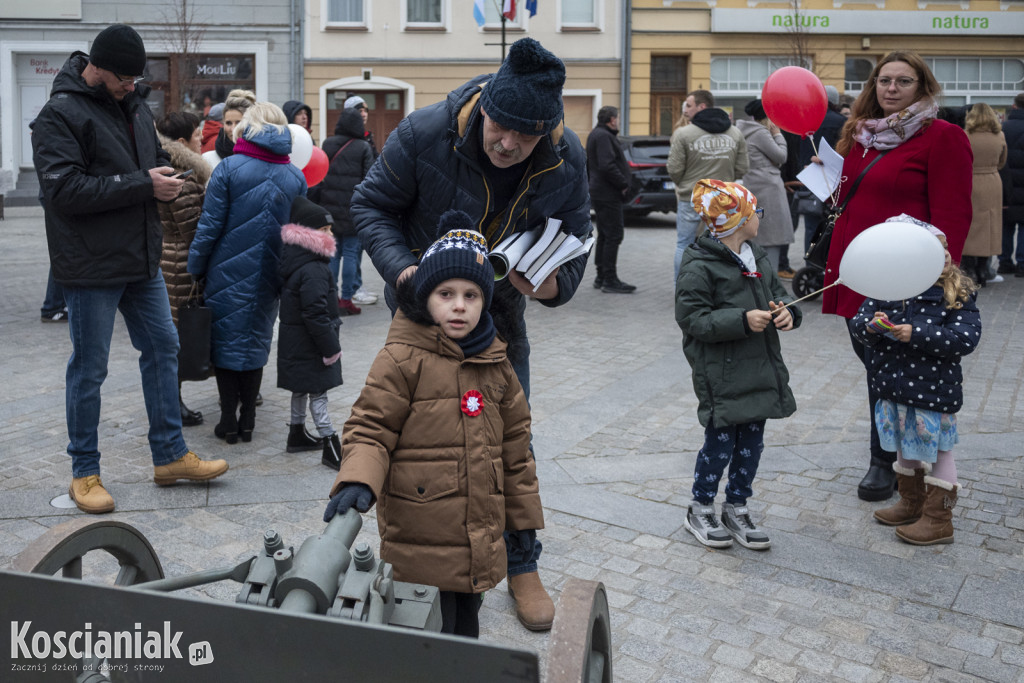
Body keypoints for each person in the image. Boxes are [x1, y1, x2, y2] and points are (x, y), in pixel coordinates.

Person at [351, 37, 590, 632]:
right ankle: (424, 558)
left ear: (548, 130)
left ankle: (522, 563)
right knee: (418, 439)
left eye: (525, 136)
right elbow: (370, 205)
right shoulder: (425, 130)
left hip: (502, 324)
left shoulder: (568, 157)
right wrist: (405, 271)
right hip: (419, 312)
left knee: (511, 444)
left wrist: (553, 287)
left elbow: (580, 238)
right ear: (484, 107)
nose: (508, 144)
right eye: (500, 128)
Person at [31, 24, 228, 514]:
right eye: (124, 78)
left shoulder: (135, 104)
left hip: (141, 259)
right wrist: (144, 184)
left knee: (164, 348)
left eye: (136, 80)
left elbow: (150, 158)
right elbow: (63, 193)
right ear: (97, 67)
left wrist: (166, 172)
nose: (130, 87)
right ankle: (85, 472)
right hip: (91, 265)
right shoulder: (59, 114)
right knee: (89, 369)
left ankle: (169, 456)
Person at [323, 213, 543, 638]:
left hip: (478, 533)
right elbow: (371, 426)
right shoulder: (402, 358)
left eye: (471, 295)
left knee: (465, 628)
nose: (459, 305)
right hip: (419, 531)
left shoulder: (498, 363)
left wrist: (523, 517)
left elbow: (517, 449)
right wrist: (359, 480)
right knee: (423, 634)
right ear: (426, 297)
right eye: (446, 293)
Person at [821, 50, 972, 503]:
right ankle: (903, 459)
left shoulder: (942, 136)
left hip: (908, 280)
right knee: (878, 370)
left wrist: (942, 280)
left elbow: (953, 214)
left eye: (903, 82)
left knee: (893, 371)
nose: (891, 89)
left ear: (922, 88)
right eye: (884, 81)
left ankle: (886, 462)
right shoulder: (862, 135)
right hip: (857, 275)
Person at [675, 179, 800, 550]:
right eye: (755, 211)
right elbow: (692, 319)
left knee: (752, 445)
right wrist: (742, 320)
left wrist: (786, 312)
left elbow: (778, 293)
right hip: (722, 373)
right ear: (737, 219)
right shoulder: (699, 265)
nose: (759, 217)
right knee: (720, 445)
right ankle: (700, 506)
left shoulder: (756, 254)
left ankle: (737, 506)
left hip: (759, 368)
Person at [849, 217, 981, 545]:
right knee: (904, 449)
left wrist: (916, 333)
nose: (946, 255)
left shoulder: (956, 291)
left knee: (940, 452)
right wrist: (872, 327)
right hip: (894, 389)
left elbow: (965, 338)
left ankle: (939, 519)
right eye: (935, 249)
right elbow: (860, 322)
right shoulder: (889, 288)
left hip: (932, 392)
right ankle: (912, 502)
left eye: (946, 247)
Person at [189, 101, 306, 444]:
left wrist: (195, 266)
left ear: (248, 128)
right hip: (271, 273)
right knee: (256, 340)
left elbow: (209, 226)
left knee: (224, 343)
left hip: (226, 270)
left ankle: (228, 420)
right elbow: (297, 231)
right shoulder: (295, 176)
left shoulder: (228, 169)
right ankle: (249, 420)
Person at [154, 110, 213, 427]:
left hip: (164, 264)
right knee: (174, 341)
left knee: (168, 339)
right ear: (181, 142)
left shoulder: (163, 172)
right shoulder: (183, 182)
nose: (202, 139)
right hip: (179, 269)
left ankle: (171, 403)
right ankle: (171, 406)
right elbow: (195, 234)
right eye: (196, 134)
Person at [277, 197, 343, 468]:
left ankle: (297, 433)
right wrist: (330, 348)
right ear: (309, 234)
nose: (331, 235)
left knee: (301, 388)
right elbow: (315, 313)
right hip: (312, 344)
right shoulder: (314, 268)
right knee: (318, 391)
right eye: (325, 231)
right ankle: (330, 445)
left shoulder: (298, 259)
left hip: (297, 343)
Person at [667, 90, 749, 279]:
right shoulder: (735, 132)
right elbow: (743, 167)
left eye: (688, 105)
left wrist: (685, 184)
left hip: (692, 197)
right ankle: (713, 288)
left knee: (683, 245)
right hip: (722, 200)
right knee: (717, 245)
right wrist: (725, 181)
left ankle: (682, 289)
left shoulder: (684, 133)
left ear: (701, 106)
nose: (685, 110)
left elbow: (674, 168)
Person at [316, 106, 376, 316]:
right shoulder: (362, 147)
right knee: (351, 254)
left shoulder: (327, 143)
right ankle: (346, 300)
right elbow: (369, 180)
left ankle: (331, 299)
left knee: (333, 255)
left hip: (329, 208)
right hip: (353, 210)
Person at [736, 99, 793, 274]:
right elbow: (781, 156)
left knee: (758, 237)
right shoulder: (761, 133)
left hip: (754, 186)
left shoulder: (744, 131)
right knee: (772, 238)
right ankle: (769, 284)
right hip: (769, 190)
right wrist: (778, 134)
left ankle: (759, 281)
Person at [586, 105, 636, 293]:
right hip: (607, 193)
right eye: (618, 118)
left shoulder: (597, 134)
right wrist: (623, 183)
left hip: (600, 192)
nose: (619, 122)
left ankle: (601, 277)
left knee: (606, 235)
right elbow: (607, 165)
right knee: (613, 235)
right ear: (612, 120)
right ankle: (609, 279)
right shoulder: (604, 136)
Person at [961, 103, 1007, 286]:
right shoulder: (999, 136)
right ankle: (983, 268)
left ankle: (969, 268)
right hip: (992, 181)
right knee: (990, 225)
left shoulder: (965, 135)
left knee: (970, 225)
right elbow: (1002, 161)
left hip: (970, 180)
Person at [998, 92, 1024, 277]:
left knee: (1005, 225)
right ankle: (1022, 263)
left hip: (1005, 184)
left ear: (1014, 107)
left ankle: (1004, 261)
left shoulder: (1002, 129)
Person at [202, 89, 256, 170]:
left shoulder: (262, 156)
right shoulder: (208, 159)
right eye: (228, 123)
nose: (233, 129)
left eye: (238, 123)